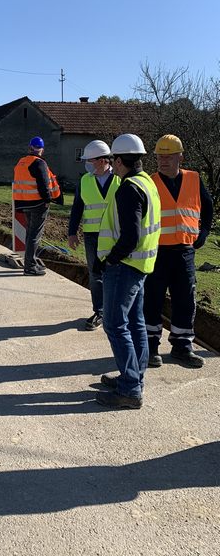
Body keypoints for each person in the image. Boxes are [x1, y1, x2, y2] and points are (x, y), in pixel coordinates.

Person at [95, 133, 161, 409]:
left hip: (124, 266)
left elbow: (130, 236)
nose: (112, 165)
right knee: (135, 323)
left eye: (113, 160)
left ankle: (130, 389)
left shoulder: (128, 189)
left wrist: (110, 260)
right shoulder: (147, 183)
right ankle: (133, 377)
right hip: (141, 265)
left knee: (114, 324)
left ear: (120, 161)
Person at [143, 135, 214, 369]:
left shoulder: (194, 179)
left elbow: (208, 207)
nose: (163, 161)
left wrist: (204, 231)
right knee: (152, 299)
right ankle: (150, 347)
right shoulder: (150, 182)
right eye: (159, 157)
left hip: (184, 251)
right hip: (157, 251)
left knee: (185, 299)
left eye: (168, 157)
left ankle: (182, 347)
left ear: (180, 157)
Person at [68, 140, 120, 330]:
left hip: (116, 236)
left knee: (117, 273)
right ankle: (100, 311)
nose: (87, 163)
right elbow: (77, 208)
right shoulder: (85, 180)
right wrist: (72, 232)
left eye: (89, 160)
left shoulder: (120, 179)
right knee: (95, 274)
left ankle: (117, 310)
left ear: (102, 160)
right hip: (92, 236)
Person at [13, 136, 62, 277]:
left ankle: (30, 262)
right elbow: (44, 184)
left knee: (30, 233)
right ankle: (30, 267)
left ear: (29, 148)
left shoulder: (21, 162)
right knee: (34, 235)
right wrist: (47, 200)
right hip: (38, 204)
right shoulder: (39, 163)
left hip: (24, 203)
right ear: (42, 150)